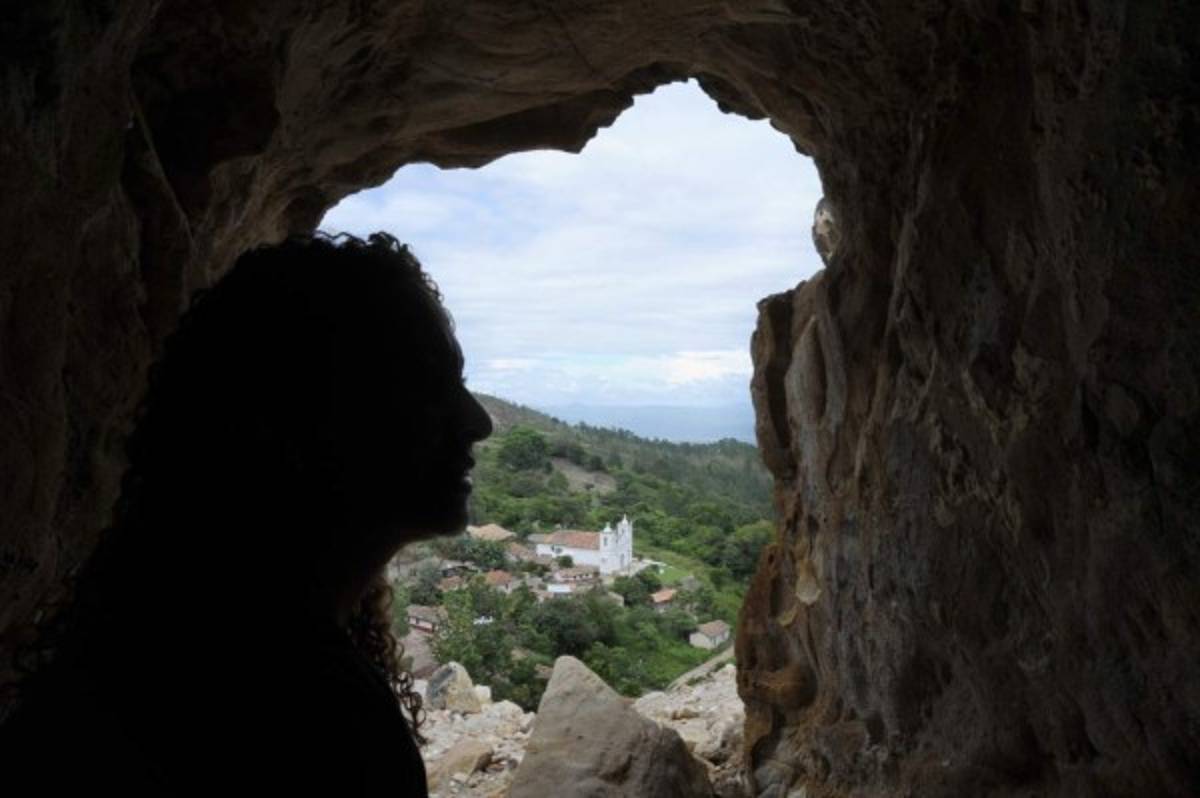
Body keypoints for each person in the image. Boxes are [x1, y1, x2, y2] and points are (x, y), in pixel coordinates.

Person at [0, 233, 492, 795]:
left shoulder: (144, 659)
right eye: (426, 386)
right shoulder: (305, 716)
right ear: (305, 413)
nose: (477, 422)